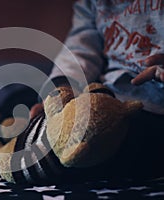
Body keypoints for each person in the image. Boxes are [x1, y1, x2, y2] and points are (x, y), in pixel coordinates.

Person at [30, 0, 164, 179]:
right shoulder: (91, 3)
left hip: (154, 109)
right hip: (106, 98)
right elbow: (79, 51)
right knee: (20, 97)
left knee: (127, 143)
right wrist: (60, 92)